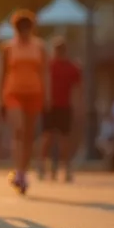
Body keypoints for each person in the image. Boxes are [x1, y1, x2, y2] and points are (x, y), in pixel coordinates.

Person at [0, 10, 47, 193]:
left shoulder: (40, 47)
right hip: (13, 93)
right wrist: (0, 99)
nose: (24, 32)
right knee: (18, 131)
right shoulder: (7, 48)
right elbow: (2, 74)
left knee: (28, 135)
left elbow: (44, 73)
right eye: (20, 28)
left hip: (34, 93)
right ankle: (18, 170)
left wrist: (47, 96)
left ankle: (23, 171)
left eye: (27, 28)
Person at [39, 37, 82, 182]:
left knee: (64, 139)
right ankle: (43, 165)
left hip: (64, 106)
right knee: (47, 137)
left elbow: (77, 88)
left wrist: (77, 105)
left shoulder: (72, 67)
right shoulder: (48, 66)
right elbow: (42, 84)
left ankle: (66, 168)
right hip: (49, 106)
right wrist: (44, 100)